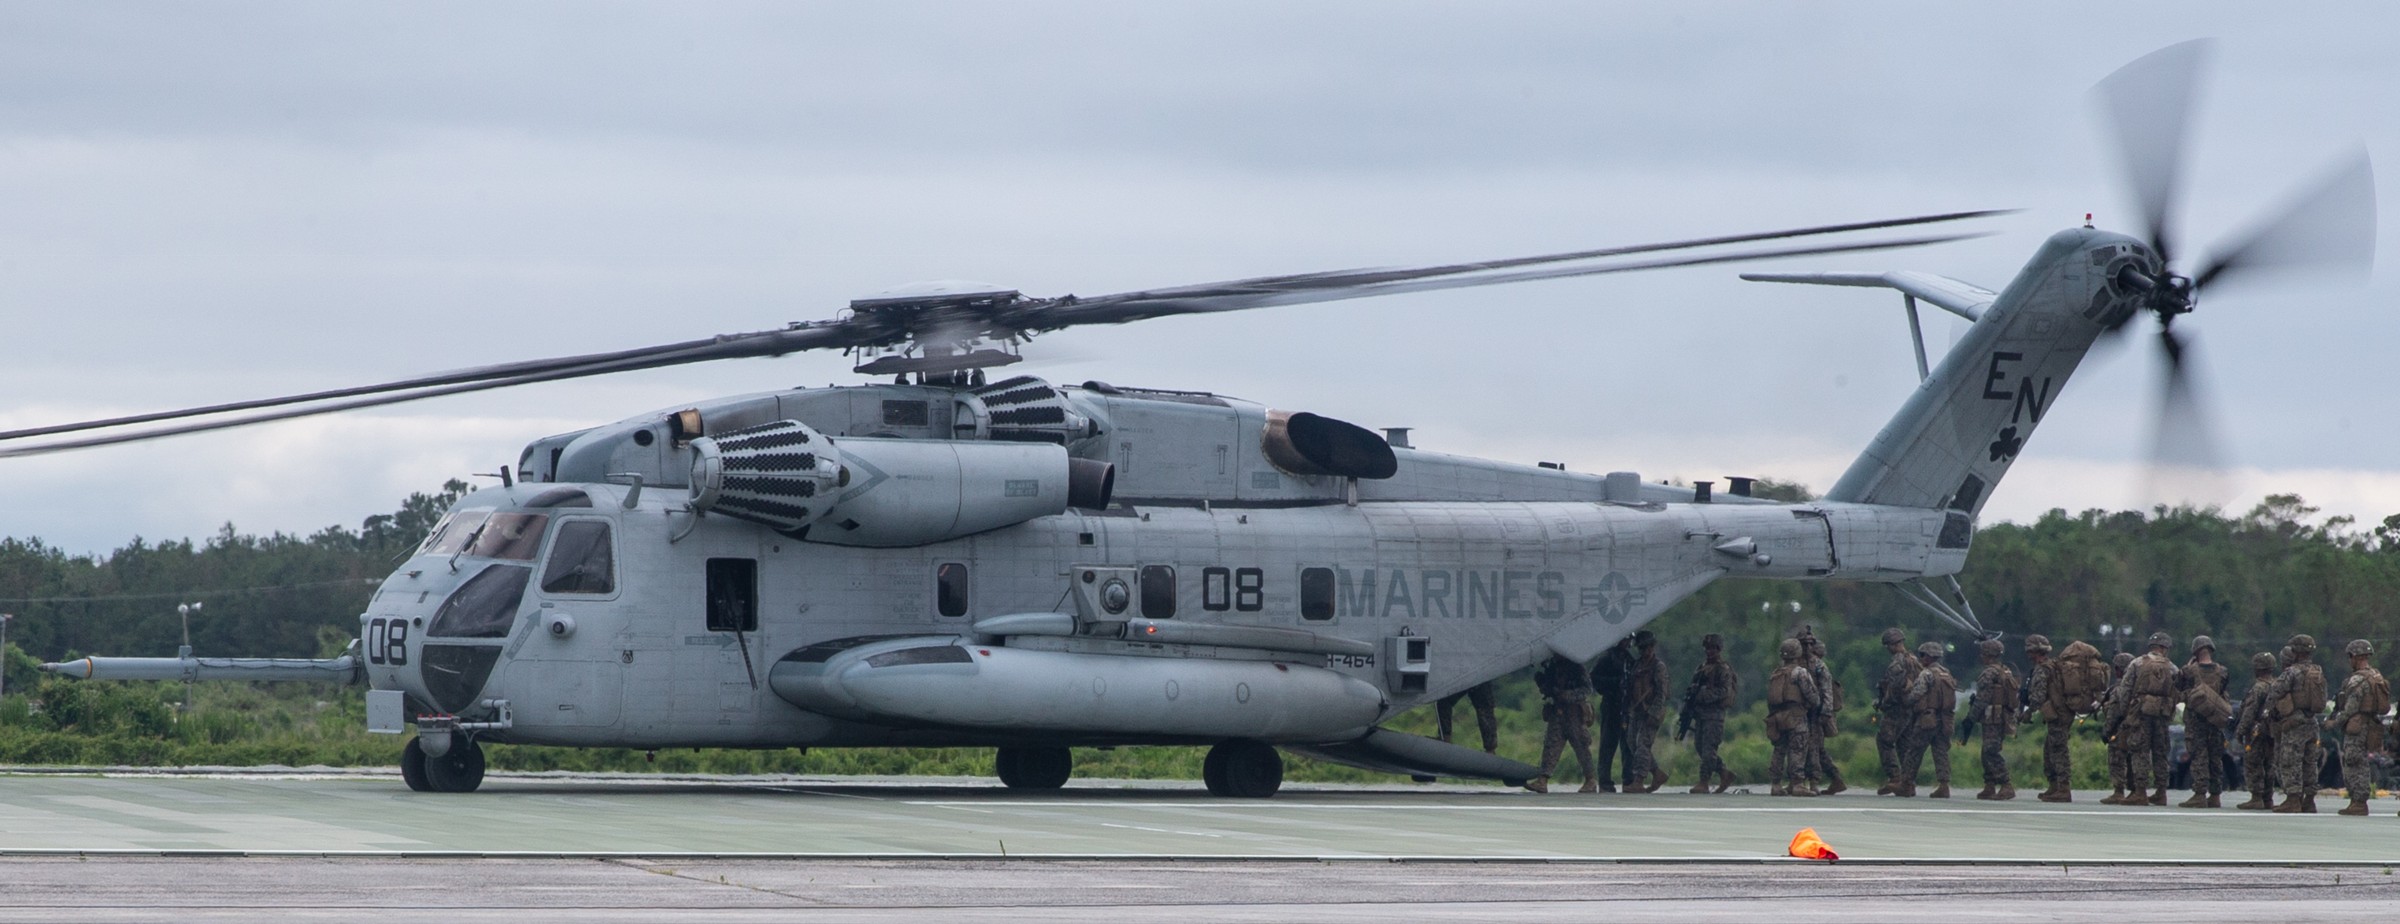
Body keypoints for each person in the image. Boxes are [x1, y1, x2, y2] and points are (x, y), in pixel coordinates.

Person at [2269, 635, 2328, 814]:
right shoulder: (2318, 671)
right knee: (2309, 762)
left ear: (2295, 651)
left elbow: (2274, 692)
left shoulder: (2291, 672)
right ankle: (2309, 800)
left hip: (2294, 723)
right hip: (2312, 722)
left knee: (2290, 761)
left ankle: (2293, 800)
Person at [1525, 653, 1596, 794]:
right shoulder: (1553, 667)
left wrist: (1568, 694)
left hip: (1574, 713)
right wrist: (1543, 683)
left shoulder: (1576, 667)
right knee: (1551, 745)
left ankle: (1591, 780)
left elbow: (1587, 689)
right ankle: (1543, 780)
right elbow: (1549, 689)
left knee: (1581, 747)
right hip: (1558, 712)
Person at [2174, 635, 2231, 808]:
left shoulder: (2189, 671)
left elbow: (2177, 687)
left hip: (2196, 720)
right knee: (2215, 756)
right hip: (2215, 720)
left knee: (2199, 755)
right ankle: (2215, 795)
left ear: (2196, 652)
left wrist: (2188, 667)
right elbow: (2223, 691)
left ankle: (2199, 794)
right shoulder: (2222, 671)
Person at [2121, 632, 2178, 806]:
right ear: (2164, 648)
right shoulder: (2172, 668)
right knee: (2160, 753)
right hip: (2162, 715)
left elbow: (2125, 690)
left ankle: (2140, 792)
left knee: (2140, 751)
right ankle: (2161, 792)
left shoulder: (2137, 663)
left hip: (2141, 714)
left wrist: (2125, 713)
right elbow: (2178, 692)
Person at [2333, 639, 2388, 816]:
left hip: (2357, 726)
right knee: (2361, 760)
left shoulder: (2357, 679)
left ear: (2355, 657)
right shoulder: (2376, 675)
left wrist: (2334, 723)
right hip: (2372, 725)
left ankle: (2358, 801)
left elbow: (2350, 707)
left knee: (2354, 761)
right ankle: (2358, 800)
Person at [1894, 641, 1956, 798]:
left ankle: (1906, 784)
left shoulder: (1927, 674)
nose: (1921, 658)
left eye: (1922, 655)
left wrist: (1904, 700)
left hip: (1927, 719)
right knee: (1941, 752)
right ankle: (1944, 785)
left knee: (1914, 751)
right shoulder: (1946, 673)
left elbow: (1916, 694)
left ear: (1929, 657)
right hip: (1945, 719)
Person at [1683, 633, 1739, 794]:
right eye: (1707, 648)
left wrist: (1702, 695)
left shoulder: (1723, 669)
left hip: (1714, 715)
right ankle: (1723, 772)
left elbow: (1724, 691)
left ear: (1719, 649)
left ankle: (1704, 781)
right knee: (1700, 747)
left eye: (1713, 649)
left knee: (1708, 749)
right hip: (1701, 714)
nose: (1709, 652)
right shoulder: (1702, 667)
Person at [1766, 638, 1820, 797]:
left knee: (1779, 750)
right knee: (1798, 749)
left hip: (1778, 717)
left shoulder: (1776, 673)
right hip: (1796, 716)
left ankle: (1775, 784)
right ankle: (1797, 783)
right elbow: (1812, 696)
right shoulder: (1800, 672)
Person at [1969, 638, 2020, 800]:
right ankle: (1989, 785)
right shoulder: (2005, 670)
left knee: (1991, 750)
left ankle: (2006, 784)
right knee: (1987, 751)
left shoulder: (1989, 672)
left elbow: (1982, 698)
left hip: (1992, 717)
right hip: (2002, 717)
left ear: (1987, 655)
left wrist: (1971, 717)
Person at [1873, 628, 1922, 795]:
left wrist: (1884, 703)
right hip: (1910, 708)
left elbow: (1895, 688)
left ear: (1893, 645)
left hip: (1897, 709)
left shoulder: (1897, 662)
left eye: (1888, 645)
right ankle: (1908, 783)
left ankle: (1895, 778)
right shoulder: (1914, 660)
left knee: (1885, 740)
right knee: (1904, 745)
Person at [2233, 651, 2281, 810]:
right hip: (2272, 730)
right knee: (2269, 763)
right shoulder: (2277, 685)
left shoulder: (2258, 687)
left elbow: (2249, 712)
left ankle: (2256, 797)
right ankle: (2268, 798)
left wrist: (2240, 731)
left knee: (2254, 763)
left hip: (2257, 732)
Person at [1801, 632, 1847, 795]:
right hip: (1803, 712)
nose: (1807, 648)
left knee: (1814, 747)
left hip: (1816, 713)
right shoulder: (1799, 664)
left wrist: (1825, 712)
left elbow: (1827, 690)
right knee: (1814, 748)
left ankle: (1815, 781)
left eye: (1809, 644)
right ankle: (1835, 779)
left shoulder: (1818, 665)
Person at [1625, 630, 1670, 793]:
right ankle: (1657, 773)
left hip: (1650, 711)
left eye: (1648, 647)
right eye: (1642, 648)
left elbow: (1661, 692)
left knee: (1643, 745)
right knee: (1632, 743)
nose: (1645, 651)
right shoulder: (1637, 665)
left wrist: (1654, 713)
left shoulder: (1658, 666)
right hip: (1637, 711)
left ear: (1653, 647)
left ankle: (1639, 779)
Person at [1590, 637, 1635, 792]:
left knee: (1628, 744)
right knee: (1608, 744)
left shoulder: (1629, 660)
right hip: (1611, 704)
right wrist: (1615, 683)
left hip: (1626, 706)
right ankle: (1604, 781)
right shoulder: (1607, 658)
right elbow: (1594, 678)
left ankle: (1629, 779)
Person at [2100, 651, 2137, 804]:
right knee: (2133, 759)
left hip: (2120, 730)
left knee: (2116, 759)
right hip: (2135, 728)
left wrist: (2107, 732)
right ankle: (2135, 790)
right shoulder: (2137, 686)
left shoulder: (2119, 688)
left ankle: (2118, 791)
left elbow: (2114, 713)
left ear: (2118, 670)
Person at [1436, 681, 1500, 755]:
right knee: (1444, 699)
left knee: (1485, 710)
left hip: (1476, 675)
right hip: (1467, 674)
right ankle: (1444, 737)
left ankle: (1490, 749)